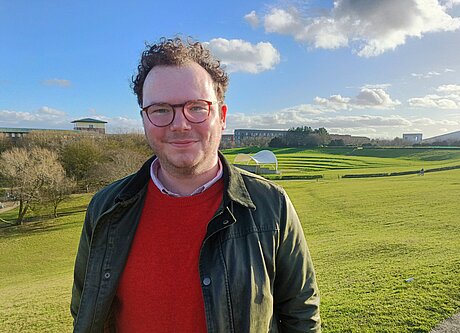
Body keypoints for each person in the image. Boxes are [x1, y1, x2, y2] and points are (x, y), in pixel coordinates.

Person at [70, 37, 321, 332]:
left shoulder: (271, 206)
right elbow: (85, 309)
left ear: (222, 117)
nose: (180, 124)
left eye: (197, 107)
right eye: (161, 109)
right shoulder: (105, 208)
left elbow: (301, 316)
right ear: (144, 120)